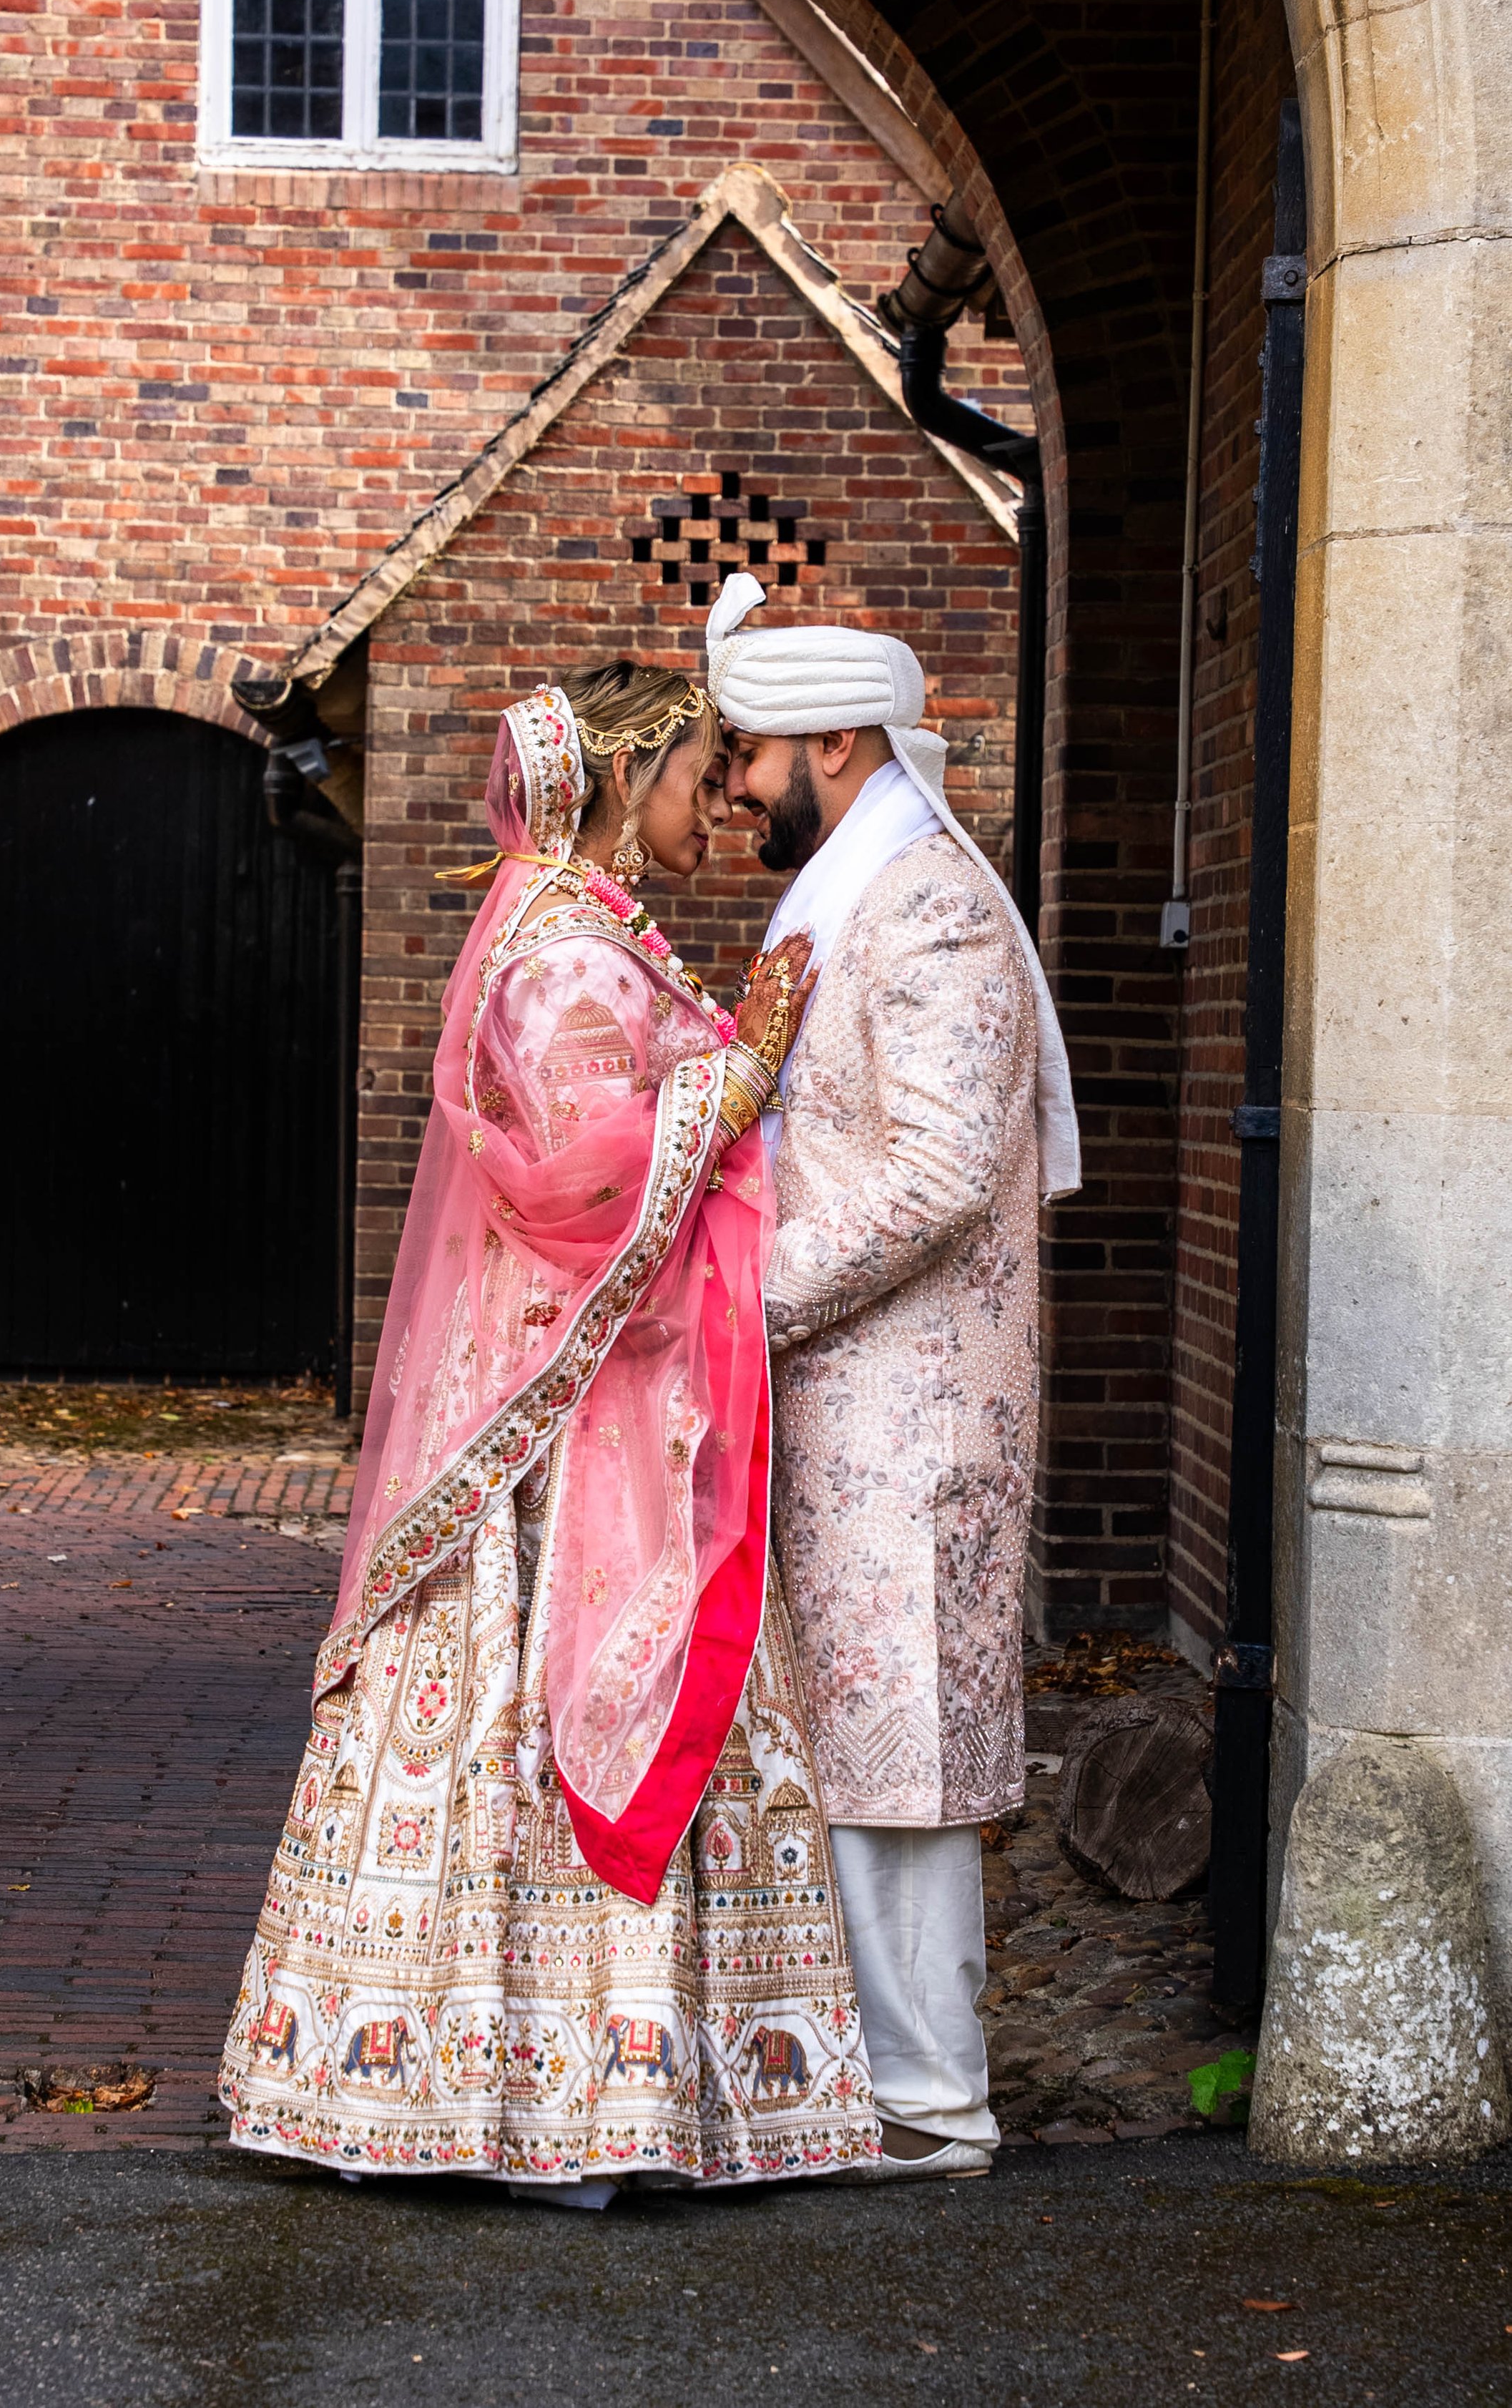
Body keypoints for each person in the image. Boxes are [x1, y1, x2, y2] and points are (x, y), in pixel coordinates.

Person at [220, 664, 880, 2201]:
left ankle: (539, 2094)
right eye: (703, 766)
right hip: (550, 1429)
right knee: (545, 1712)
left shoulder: (575, 936)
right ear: (627, 767)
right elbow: (577, 1179)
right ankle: (538, 2107)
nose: (721, 797)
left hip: (582, 1392)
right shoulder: (562, 958)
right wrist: (739, 1073)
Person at [706, 572, 1081, 2180]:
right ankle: (877, 2086)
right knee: (859, 1745)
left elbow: (931, 1175)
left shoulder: (920, 899)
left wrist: (739, 1299)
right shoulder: (851, 889)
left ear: (835, 738)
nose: (727, 787)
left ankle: (930, 2104)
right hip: (851, 1389)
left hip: (908, 1403)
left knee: (905, 1750)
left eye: (741, 754)